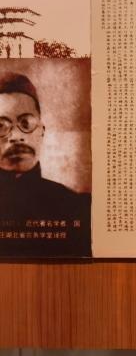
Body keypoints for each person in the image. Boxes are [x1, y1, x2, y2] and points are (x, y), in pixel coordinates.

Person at [0, 71, 90, 257]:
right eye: (1, 126)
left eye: (26, 123)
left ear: (41, 131)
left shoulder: (77, 207)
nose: (16, 136)